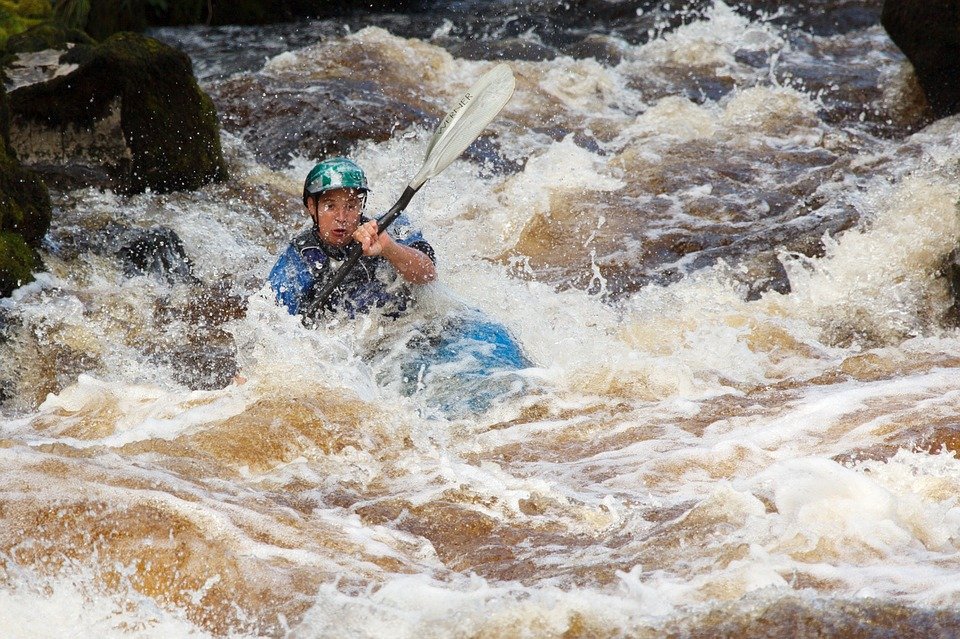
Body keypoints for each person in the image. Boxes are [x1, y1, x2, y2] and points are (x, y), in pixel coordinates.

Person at [268, 157, 437, 324]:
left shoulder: (388, 228)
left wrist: (388, 247)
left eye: (350, 206)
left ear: (361, 205)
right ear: (312, 206)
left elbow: (428, 274)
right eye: (330, 206)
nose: (341, 218)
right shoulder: (298, 260)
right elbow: (272, 323)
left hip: (407, 328)